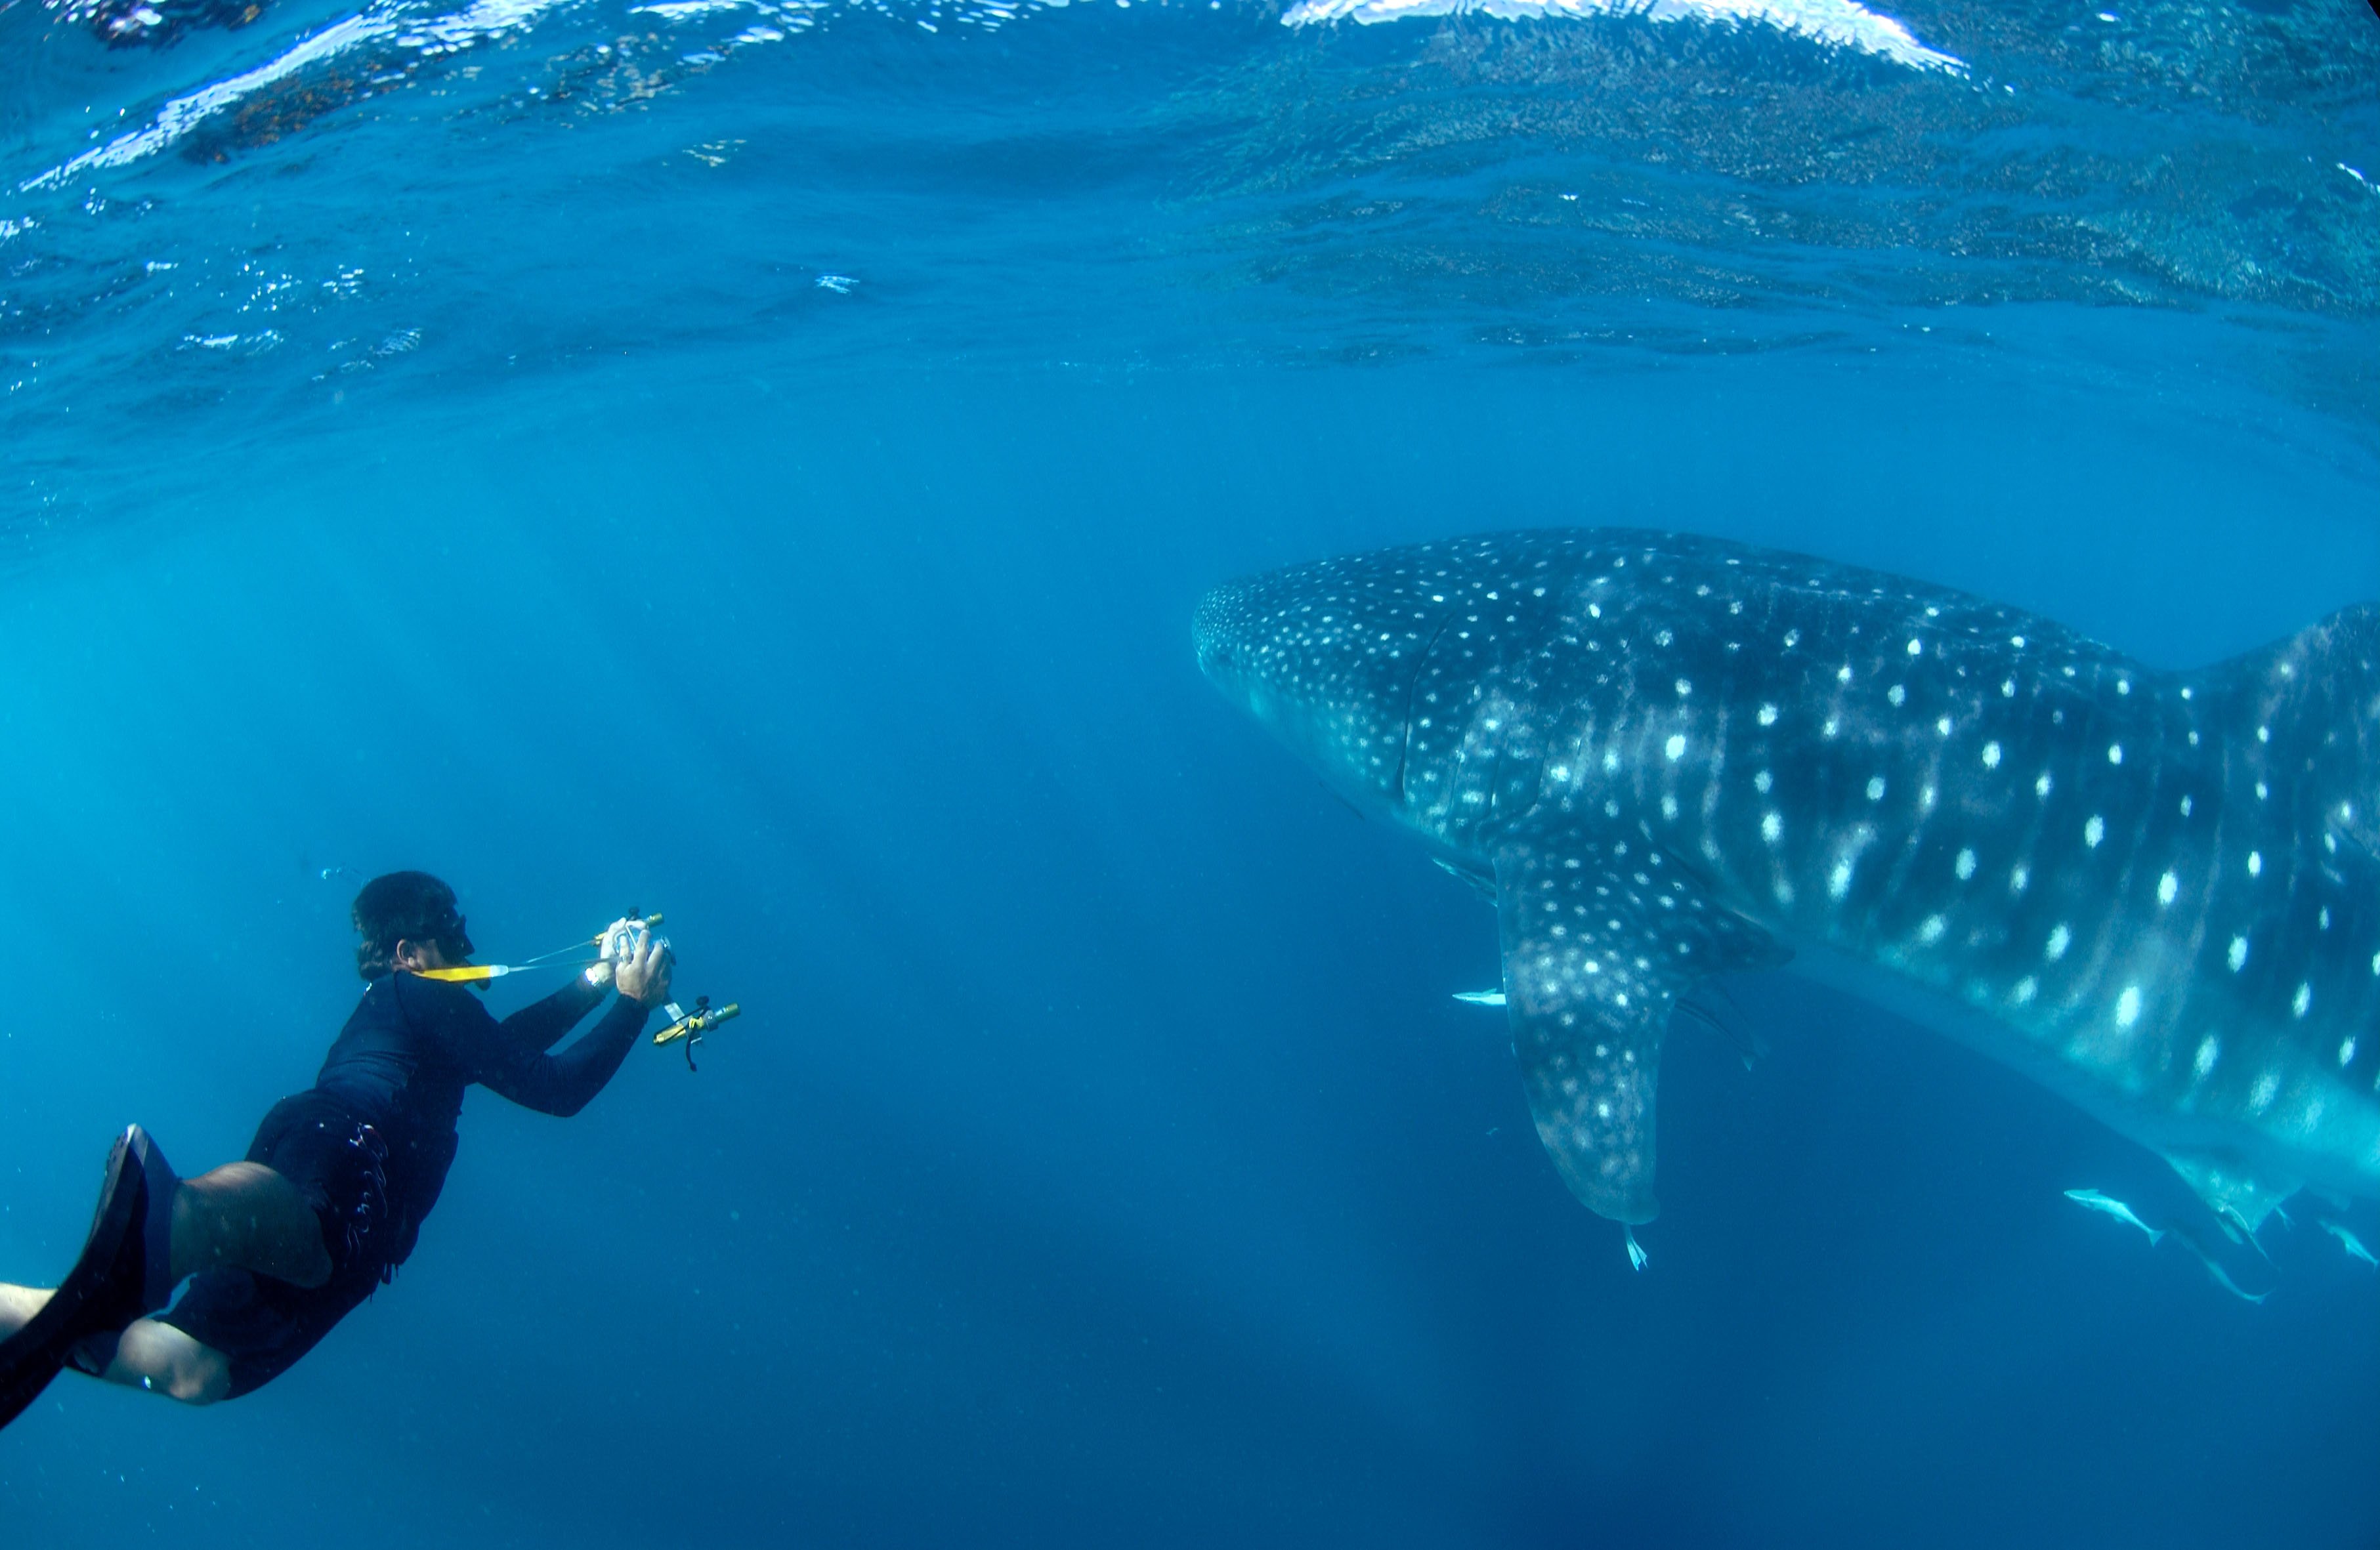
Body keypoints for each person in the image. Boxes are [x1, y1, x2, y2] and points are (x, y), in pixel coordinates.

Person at [0, 871, 671, 1419]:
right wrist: (632, 1007)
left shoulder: (426, 1015)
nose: (466, 953)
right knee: (302, 1225)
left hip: (349, 1195)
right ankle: (178, 1217)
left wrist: (596, 982)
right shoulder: (418, 990)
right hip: (346, 1151)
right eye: (452, 940)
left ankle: (21, 1307)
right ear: (409, 953)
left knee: (197, 1369)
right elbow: (553, 1089)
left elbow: (502, 1050)